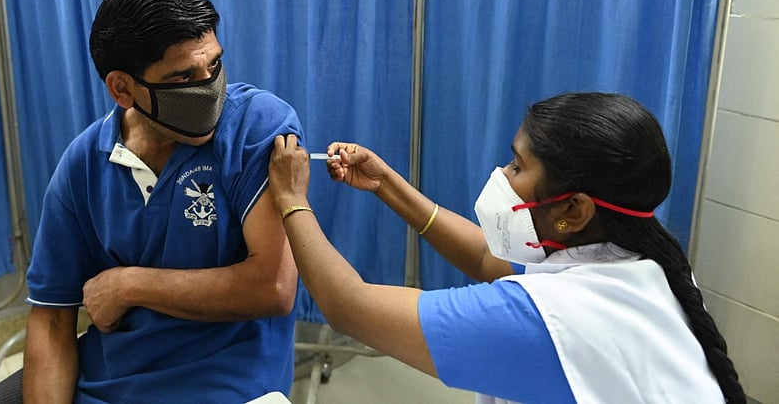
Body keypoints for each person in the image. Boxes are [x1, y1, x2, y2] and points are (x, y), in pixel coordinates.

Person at [267, 92, 746, 403]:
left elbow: (349, 308)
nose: (503, 176)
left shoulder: (554, 321)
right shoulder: (638, 262)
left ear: (574, 209)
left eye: (518, 166)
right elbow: (484, 259)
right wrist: (386, 184)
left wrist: (291, 199)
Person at [0, 0, 303, 403]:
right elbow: (52, 320)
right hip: (112, 377)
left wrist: (129, 285)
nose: (208, 89)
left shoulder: (258, 128)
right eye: (184, 76)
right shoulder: (83, 166)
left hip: (226, 381)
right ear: (123, 88)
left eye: (215, 66)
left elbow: (273, 287)